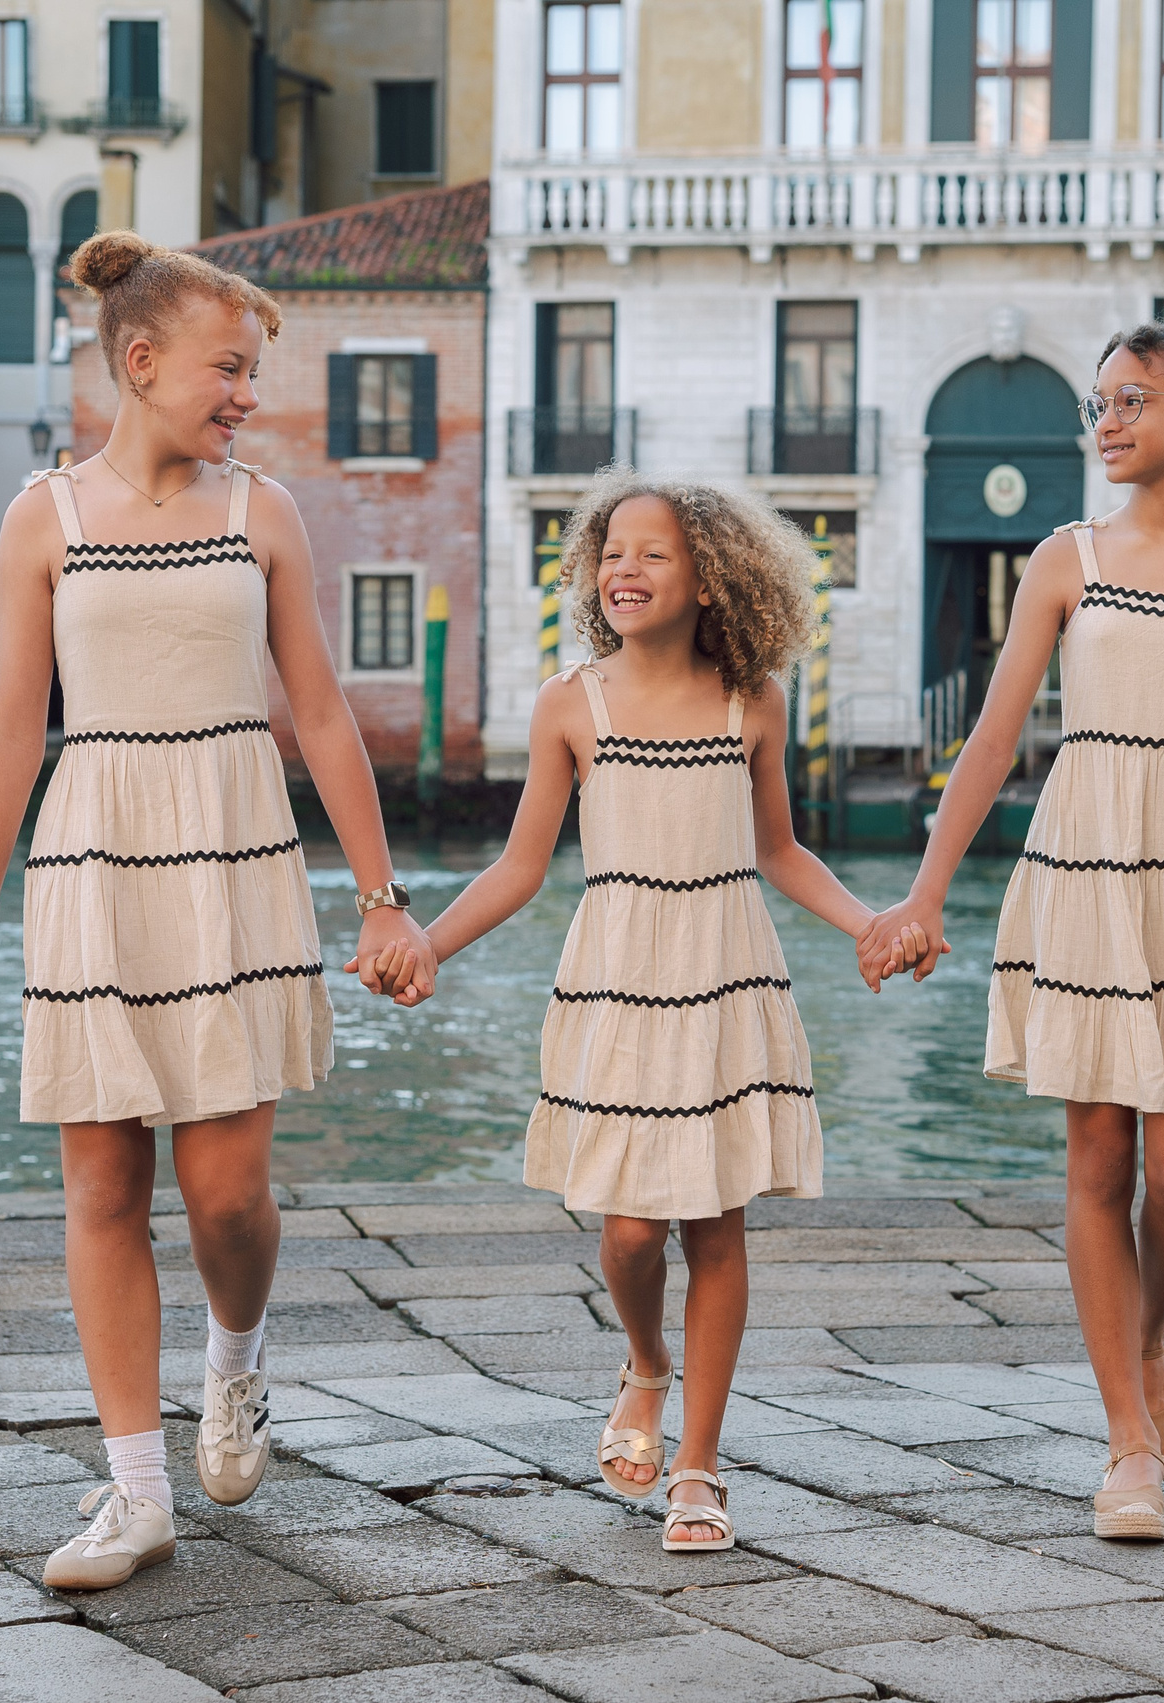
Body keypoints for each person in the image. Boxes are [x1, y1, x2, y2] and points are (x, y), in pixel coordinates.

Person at [0, 230, 433, 1590]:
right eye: (230, 368)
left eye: (251, 371)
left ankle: (236, 1359)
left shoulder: (263, 512)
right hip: (92, 862)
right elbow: (11, 731)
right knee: (102, 1185)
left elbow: (318, 710)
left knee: (226, 1194)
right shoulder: (43, 518)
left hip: (232, 857)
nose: (247, 395)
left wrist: (382, 900)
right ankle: (136, 1490)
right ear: (142, 362)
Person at [369, 474, 926, 1551]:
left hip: (725, 973)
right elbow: (521, 866)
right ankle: (646, 1361)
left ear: (712, 578)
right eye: (611, 551)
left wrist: (869, 924)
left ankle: (700, 1465)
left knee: (716, 1221)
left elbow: (778, 850)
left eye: (653, 553)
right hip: (618, 980)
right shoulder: (570, 703)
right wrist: (427, 942)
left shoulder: (752, 700)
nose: (623, 568)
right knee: (629, 1232)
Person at [860, 322, 1164, 1542]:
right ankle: (1126, 1445)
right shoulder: (1066, 557)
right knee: (1100, 1162)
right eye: (1098, 403)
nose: (1104, 420)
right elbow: (993, 736)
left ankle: (1147, 1338)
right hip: (1083, 865)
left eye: (1131, 400)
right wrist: (924, 892)